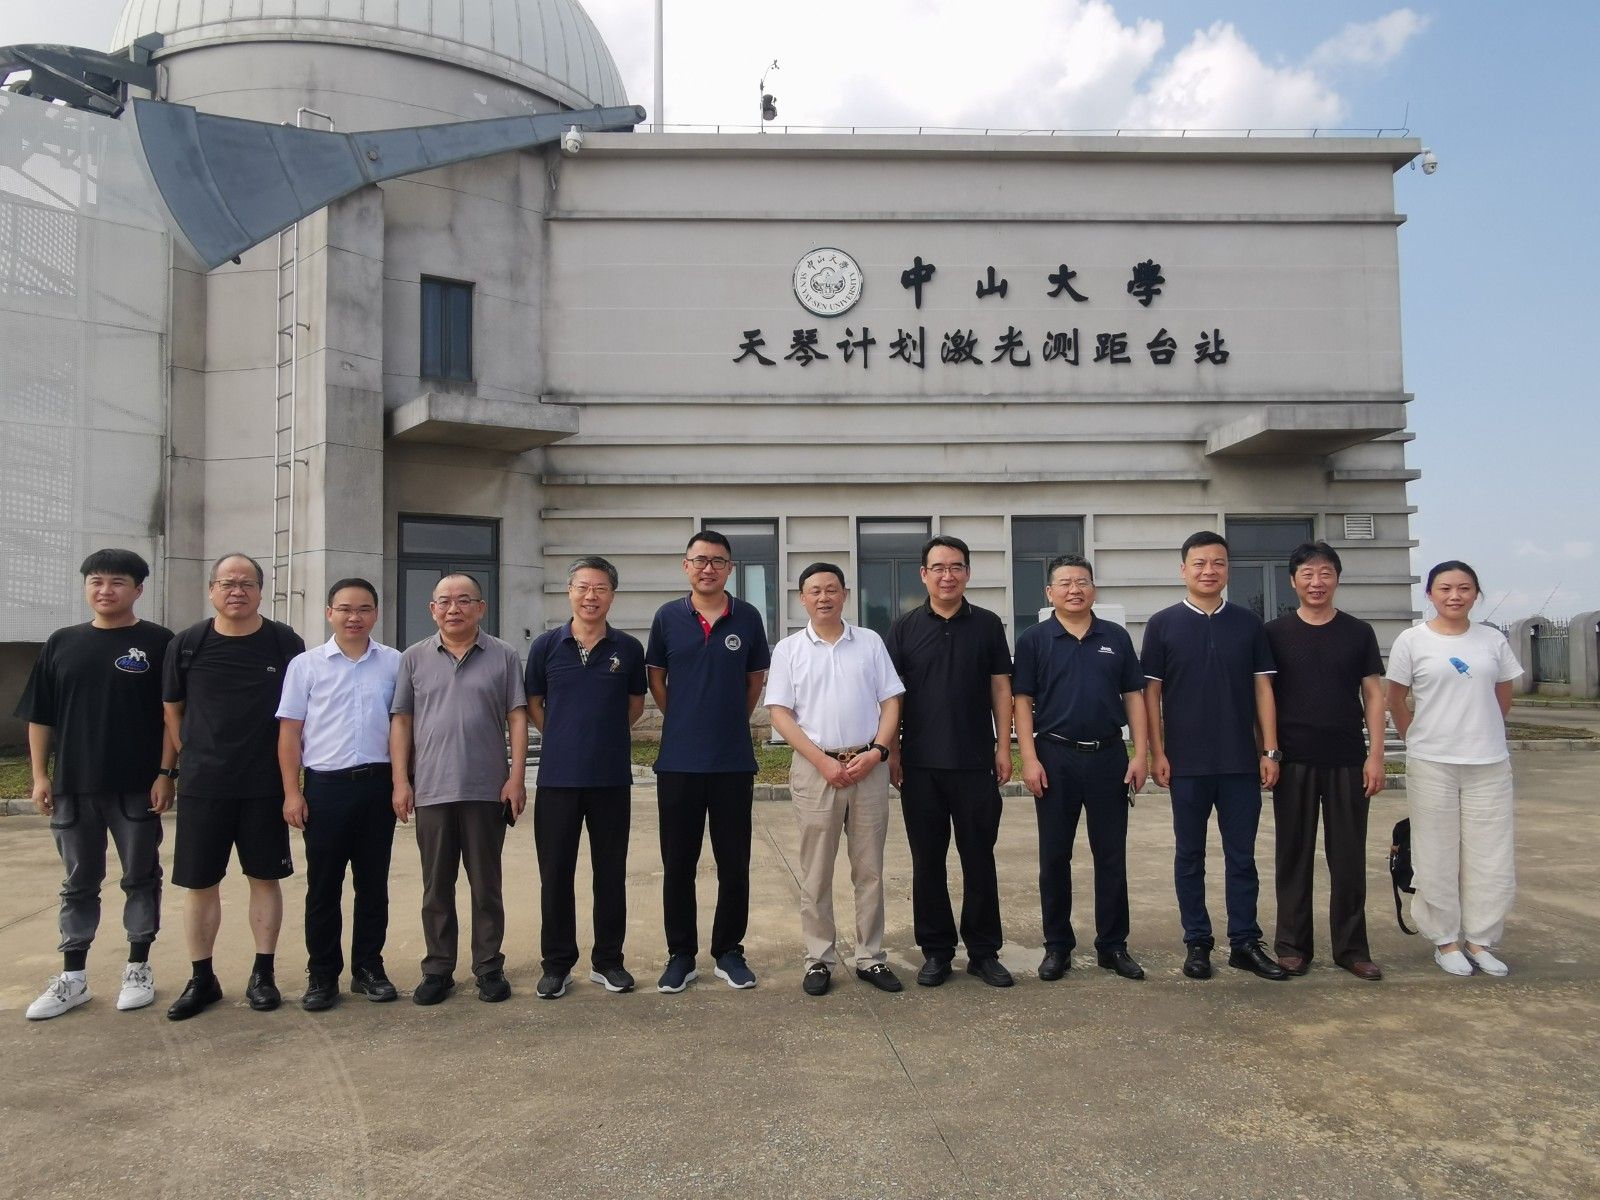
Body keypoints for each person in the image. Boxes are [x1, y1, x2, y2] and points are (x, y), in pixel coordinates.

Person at [18, 549, 176, 1020]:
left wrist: (165, 773)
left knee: (140, 877)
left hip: (136, 786)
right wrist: (40, 775)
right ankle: (73, 977)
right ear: (86, 586)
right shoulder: (61, 643)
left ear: (139, 589)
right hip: (74, 784)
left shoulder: (158, 643)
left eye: (117, 582)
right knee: (78, 882)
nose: (105, 590)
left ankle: (138, 967)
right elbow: (40, 716)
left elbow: (172, 717)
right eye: (96, 581)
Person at [162, 552, 306, 1019]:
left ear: (261, 591)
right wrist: (187, 757)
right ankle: (201, 978)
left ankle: (263, 974)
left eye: (247, 583)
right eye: (227, 583)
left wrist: (292, 785)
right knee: (200, 882)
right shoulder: (188, 643)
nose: (237, 591)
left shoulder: (284, 642)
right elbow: (172, 708)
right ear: (212, 590)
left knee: (264, 878)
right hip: (204, 786)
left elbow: (299, 714)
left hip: (264, 784)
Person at [1142, 532, 1288, 982]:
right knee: (1189, 856)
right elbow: (1151, 695)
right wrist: (1157, 752)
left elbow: (1263, 689)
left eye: (1218, 563)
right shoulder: (1162, 624)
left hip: (1240, 762)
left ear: (1228, 569)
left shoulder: (1248, 623)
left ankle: (1244, 942)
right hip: (1186, 765)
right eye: (1200, 563)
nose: (1209, 571)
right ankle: (1197, 942)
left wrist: (1269, 751)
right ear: (1183, 569)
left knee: (1241, 857)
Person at [765, 562, 906, 997]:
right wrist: (822, 762)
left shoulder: (869, 642)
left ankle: (871, 956)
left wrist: (878, 751)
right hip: (815, 770)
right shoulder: (789, 649)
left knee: (870, 870)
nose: (823, 597)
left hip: (868, 766)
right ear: (802, 598)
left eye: (831, 589)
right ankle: (819, 959)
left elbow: (891, 700)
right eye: (815, 590)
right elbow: (780, 714)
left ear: (845, 594)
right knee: (816, 871)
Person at [391, 573, 528, 1005]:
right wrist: (400, 780)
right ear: (432, 609)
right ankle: (438, 969)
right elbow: (402, 721)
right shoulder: (413, 658)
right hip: (431, 789)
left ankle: (489, 967)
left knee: (486, 885)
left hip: (487, 789)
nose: (454, 608)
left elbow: (517, 717)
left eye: (464, 600)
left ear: (480, 608)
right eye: (445, 601)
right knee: (436, 886)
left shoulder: (504, 655)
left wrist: (516, 777)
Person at [885, 535, 1015, 988]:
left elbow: (1001, 687)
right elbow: (891, 696)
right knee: (928, 862)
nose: (947, 575)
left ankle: (983, 951)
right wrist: (893, 751)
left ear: (967, 573)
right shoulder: (904, 628)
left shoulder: (988, 624)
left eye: (956, 567)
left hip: (976, 762)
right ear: (924, 574)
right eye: (938, 568)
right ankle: (936, 951)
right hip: (920, 765)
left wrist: (1004, 747)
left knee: (979, 859)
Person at [645, 530, 771, 993]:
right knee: (678, 863)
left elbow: (755, 680)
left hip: (731, 761)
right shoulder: (667, 617)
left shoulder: (748, 617)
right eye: (700, 560)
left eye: (718, 561)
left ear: (729, 569)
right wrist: (683, 717)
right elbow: (657, 678)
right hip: (678, 762)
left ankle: (729, 951)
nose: (708, 568)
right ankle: (680, 954)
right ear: (686, 566)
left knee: (734, 862)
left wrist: (730, 719)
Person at [1013, 554, 1150, 982]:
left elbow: (1134, 695)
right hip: (1055, 757)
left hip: (1109, 756)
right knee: (1055, 856)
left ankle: (1113, 946)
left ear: (1093, 588)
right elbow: (1022, 701)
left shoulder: (1115, 637)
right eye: (1065, 583)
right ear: (1049, 592)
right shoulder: (1034, 639)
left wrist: (1140, 753)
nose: (1075, 589)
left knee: (1111, 855)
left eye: (1083, 581)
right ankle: (1057, 946)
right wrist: (1029, 758)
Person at [1386, 561, 1523, 977]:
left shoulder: (1492, 640)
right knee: (1435, 855)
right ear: (1430, 593)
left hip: (1488, 762)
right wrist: (1415, 737)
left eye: (1464, 588)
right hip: (1432, 763)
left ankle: (1480, 940)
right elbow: (1396, 698)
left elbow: (1502, 692)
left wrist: (1482, 729)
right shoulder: (1413, 640)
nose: (1455, 595)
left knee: (1491, 856)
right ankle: (1444, 940)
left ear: (1476, 594)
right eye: (1445, 588)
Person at [276, 578, 402, 1010]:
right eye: (345, 609)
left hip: (376, 786)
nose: (354, 617)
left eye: (364, 609)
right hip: (325, 788)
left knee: (373, 885)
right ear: (329, 612)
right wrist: (292, 792)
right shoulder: (306, 665)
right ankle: (322, 975)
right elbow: (289, 734)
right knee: (323, 886)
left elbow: (403, 727)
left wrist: (401, 782)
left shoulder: (394, 663)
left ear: (376, 614)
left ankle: (369, 969)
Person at [525, 556, 647, 998]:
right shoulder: (546, 646)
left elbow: (635, 705)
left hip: (610, 779)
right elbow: (535, 703)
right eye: (582, 587)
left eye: (600, 588)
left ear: (612, 595)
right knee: (555, 874)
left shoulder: (628, 648)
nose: (590, 596)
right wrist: (563, 736)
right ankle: (557, 964)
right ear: (569, 592)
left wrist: (602, 735)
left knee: (610, 873)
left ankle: (608, 961)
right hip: (558, 779)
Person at [1265, 542, 1387, 981]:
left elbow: (1373, 694)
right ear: (1293, 581)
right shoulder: (1274, 633)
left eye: (1325, 574)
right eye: (1308, 574)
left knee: (1349, 858)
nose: (1316, 582)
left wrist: (1376, 755)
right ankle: (1292, 946)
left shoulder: (1358, 632)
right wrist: (1270, 752)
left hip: (1347, 760)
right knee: (1293, 856)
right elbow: (1264, 696)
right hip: (1293, 761)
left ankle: (1352, 949)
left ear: (1337, 578)